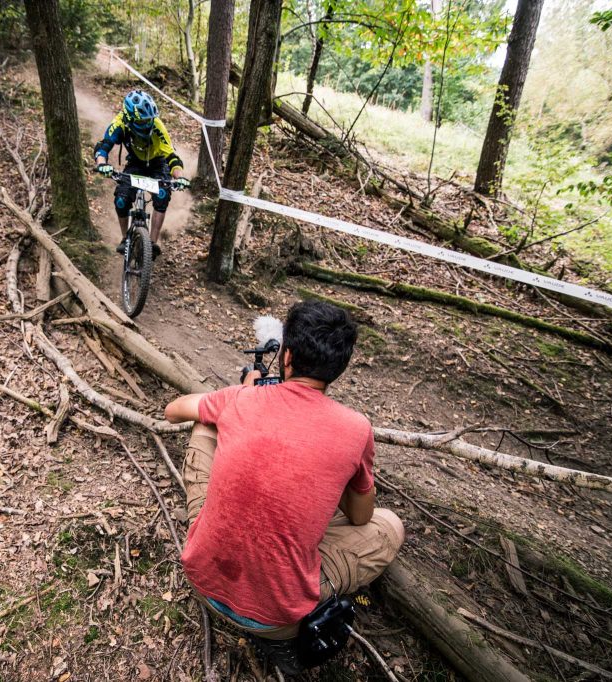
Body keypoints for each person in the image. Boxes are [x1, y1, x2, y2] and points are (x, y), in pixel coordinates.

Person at [163, 301, 404, 646]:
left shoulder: (239, 399)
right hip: (276, 620)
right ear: (338, 367)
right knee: (390, 525)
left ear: (287, 356)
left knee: (206, 422)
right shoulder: (357, 428)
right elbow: (361, 516)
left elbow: (173, 411)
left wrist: (243, 393)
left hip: (202, 581)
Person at [93, 89, 190, 259]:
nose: (147, 124)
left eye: (149, 120)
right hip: (136, 163)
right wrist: (102, 164)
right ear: (130, 118)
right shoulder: (120, 123)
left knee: (162, 195)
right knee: (121, 200)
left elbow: (172, 157)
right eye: (143, 121)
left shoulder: (157, 125)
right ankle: (125, 239)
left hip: (158, 163)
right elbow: (104, 146)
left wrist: (179, 177)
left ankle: (152, 243)